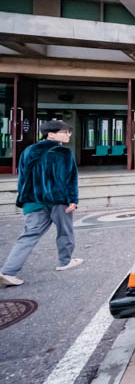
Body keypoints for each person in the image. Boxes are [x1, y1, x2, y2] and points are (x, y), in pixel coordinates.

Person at [0, 120, 83, 286]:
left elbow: (22, 176)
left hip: (34, 200)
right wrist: (72, 200)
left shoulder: (28, 151)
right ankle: (65, 262)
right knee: (65, 231)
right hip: (59, 200)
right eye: (65, 132)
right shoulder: (63, 152)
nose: (68, 134)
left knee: (29, 235)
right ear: (51, 134)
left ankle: (8, 271)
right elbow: (70, 178)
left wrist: (24, 198)